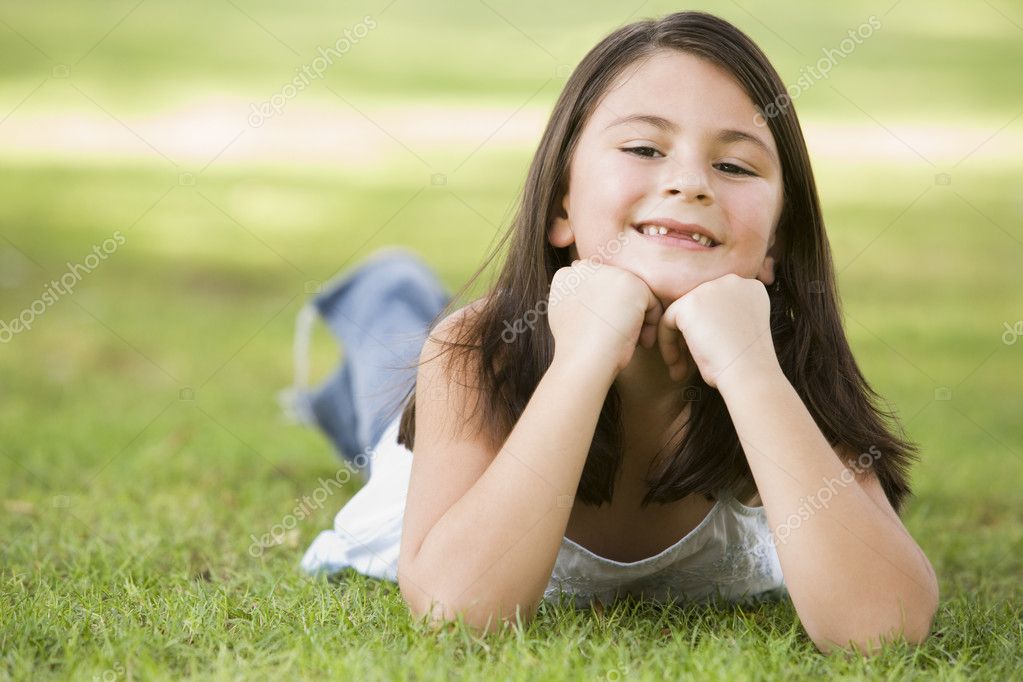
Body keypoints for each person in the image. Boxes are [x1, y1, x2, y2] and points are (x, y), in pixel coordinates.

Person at [291, 10, 938, 655]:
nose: (688, 183)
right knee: (387, 384)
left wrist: (749, 369)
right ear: (560, 207)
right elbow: (457, 610)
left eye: (735, 167)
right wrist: (583, 357)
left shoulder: (789, 367)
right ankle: (387, 288)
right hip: (435, 452)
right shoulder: (474, 354)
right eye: (643, 149)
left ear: (776, 243)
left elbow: (881, 629)